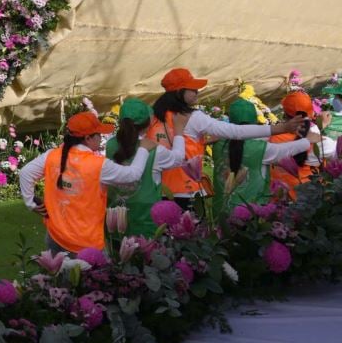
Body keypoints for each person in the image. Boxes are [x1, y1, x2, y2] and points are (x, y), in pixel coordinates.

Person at [153, 67, 299, 212]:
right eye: (192, 89)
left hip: (157, 188)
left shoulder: (155, 116)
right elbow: (235, 131)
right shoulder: (192, 117)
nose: (197, 92)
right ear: (179, 92)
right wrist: (281, 128)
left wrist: (203, 141)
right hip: (187, 189)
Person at [20, 110, 153, 254]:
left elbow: (25, 173)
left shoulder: (52, 155)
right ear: (88, 138)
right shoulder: (99, 165)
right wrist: (144, 149)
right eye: (99, 135)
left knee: (56, 275)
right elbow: (132, 175)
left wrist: (30, 203)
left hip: (54, 236)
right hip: (84, 243)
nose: (101, 138)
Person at [103, 98, 188, 238]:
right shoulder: (154, 150)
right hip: (145, 223)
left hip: (116, 219)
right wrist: (179, 131)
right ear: (147, 125)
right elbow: (178, 158)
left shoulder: (110, 145)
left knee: (117, 257)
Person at [219, 97, 324, 207]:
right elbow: (282, 151)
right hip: (255, 209)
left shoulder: (220, 143)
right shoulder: (259, 148)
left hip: (224, 208)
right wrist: (308, 140)